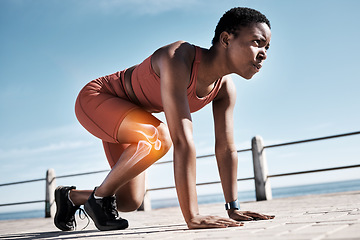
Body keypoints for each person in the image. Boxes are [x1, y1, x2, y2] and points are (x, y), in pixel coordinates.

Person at [54, 7, 275, 231]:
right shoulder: (179, 56)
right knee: (159, 137)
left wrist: (233, 207)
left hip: (134, 119)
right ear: (226, 39)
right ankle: (99, 199)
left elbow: (226, 149)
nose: (264, 53)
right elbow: (183, 140)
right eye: (257, 42)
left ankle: (71, 197)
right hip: (98, 99)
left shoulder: (225, 89)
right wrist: (193, 216)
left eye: (267, 47)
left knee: (130, 201)